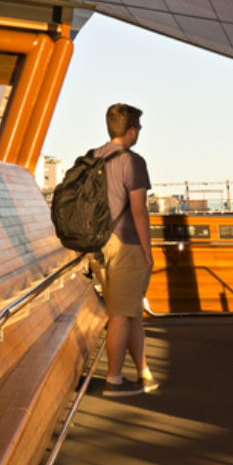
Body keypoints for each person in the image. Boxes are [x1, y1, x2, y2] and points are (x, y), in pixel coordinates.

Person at [94, 103, 157, 394]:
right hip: (126, 244)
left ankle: (143, 371)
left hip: (101, 246)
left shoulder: (94, 157)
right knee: (120, 313)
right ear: (131, 130)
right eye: (139, 128)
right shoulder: (132, 162)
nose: (139, 133)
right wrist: (147, 250)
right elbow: (138, 210)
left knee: (130, 310)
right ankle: (115, 380)